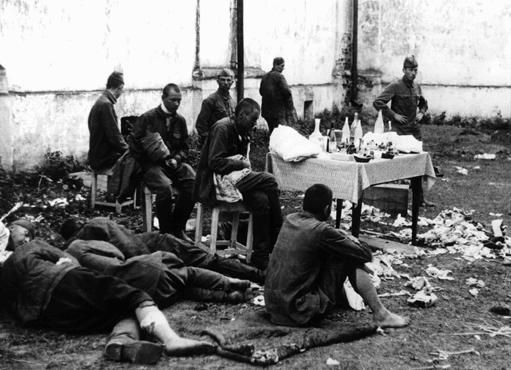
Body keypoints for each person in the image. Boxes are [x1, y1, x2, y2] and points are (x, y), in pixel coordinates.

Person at [0, 221, 214, 365]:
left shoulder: (4, 273)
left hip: (47, 315)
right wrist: (64, 261)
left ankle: (121, 341)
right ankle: (171, 339)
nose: (27, 238)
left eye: (30, 235)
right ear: (10, 227)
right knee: (134, 297)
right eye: (24, 233)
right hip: (64, 280)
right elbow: (70, 260)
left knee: (122, 312)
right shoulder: (31, 248)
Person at [264, 184, 409, 329]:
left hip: (274, 308)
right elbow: (364, 254)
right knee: (348, 257)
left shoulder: (290, 220)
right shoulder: (321, 231)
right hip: (298, 311)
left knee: (332, 252)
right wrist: (348, 238)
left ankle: (341, 301)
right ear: (327, 209)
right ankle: (381, 314)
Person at [194, 98, 283, 270]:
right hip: (215, 182)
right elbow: (214, 162)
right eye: (253, 119)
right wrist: (240, 164)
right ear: (241, 115)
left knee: (262, 201)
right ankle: (278, 229)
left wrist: (241, 164)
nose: (255, 124)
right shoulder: (222, 128)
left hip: (234, 181)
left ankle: (260, 255)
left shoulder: (242, 130)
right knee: (270, 180)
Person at [60, 217, 265, 284]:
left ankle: (254, 277)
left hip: (154, 253)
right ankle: (258, 276)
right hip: (157, 246)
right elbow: (129, 245)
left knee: (199, 270)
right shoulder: (93, 226)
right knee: (208, 262)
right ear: (78, 224)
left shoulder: (78, 248)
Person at [129, 83, 195, 240]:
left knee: (193, 183)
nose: (177, 104)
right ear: (163, 98)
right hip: (153, 167)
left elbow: (185, 148)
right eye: (173, 100)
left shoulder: (180, 120)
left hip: (174, 165)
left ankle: (178, 229)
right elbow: (133, 144)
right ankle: (166, 234)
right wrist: (149, 159)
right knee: (165, 188)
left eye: (179, 100)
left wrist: (177, 159)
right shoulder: (148, 118)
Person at [373, 55, 434, 207]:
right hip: (399, 131)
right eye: (410, 70)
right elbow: (378, 102)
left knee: (418, 164)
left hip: (414, 131)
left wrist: (421, 113)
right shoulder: (395, 86)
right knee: (395, 164)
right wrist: (394, 115)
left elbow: (424, 104)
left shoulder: (416, 87)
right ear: (404, 70)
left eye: (415, 70)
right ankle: (389, 198)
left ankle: (419, 199)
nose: (413, 73)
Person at [88, 71, 129, 172]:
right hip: (102, 159)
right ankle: (119, 188)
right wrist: (128, 149)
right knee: (135, 164)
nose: (121, 93)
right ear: (119, 88)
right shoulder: (106, 105)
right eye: (122, 90)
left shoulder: (101, 101)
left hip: (96, 155)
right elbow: (114, 135)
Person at [195, 69, 236, 147]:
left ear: (232, 82)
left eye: (228, 80)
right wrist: (210, 141)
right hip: (215, 142)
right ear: (218, 81)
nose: (226, 83)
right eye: (223, 80)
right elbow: (201, 125)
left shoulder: (232, 102)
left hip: (229, 142)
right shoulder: (210, 101)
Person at [259, 57, 297, 134]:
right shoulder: (279, 76)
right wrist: (291, 109)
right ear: (276, 65)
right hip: (278, 112)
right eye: (282, 66)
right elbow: (287, 93)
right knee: (281, 133)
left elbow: (261, 92)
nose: (283, 68)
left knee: (272, 132)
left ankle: (272, 145)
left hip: (267, 112)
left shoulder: (265, 77)